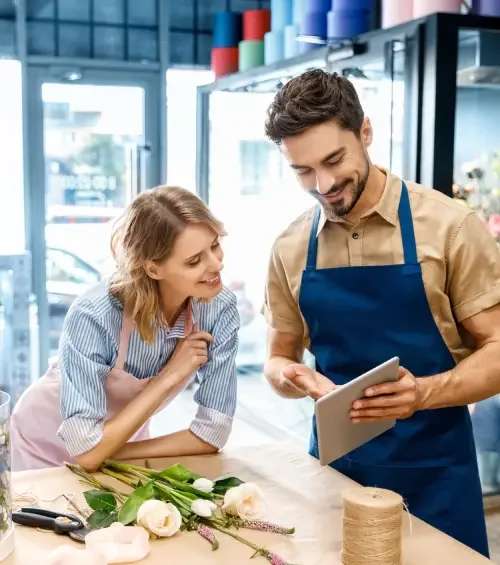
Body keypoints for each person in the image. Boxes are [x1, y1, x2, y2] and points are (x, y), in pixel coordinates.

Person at [261, 69, 500, 558]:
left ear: (364, 132)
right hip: (334, 474)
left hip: (437, 475)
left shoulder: (451, 228)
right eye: (303, 171)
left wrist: (423, 392)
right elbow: (276, 359)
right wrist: (294, 377)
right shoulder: (289, 247)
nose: (323, 184)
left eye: (333, 160)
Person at [11, 186, 240, 473]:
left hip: (117, 441)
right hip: (41, 438)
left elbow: (212, 432)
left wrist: (110, 451)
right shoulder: (94, 315)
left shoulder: (219, 308)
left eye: (215, 244)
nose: (217, 263)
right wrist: (168, 377)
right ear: (153, 269)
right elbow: (86, 449)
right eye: (194, 260)